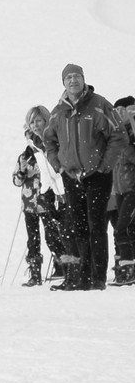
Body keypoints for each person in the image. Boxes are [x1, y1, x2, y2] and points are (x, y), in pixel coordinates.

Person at [42, 64, 127, 290]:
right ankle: (82, 276)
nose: (73, 81)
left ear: (83, 79)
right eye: (68, 77)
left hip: (97, 175)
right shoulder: (58, 111)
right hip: (71, 177)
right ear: (63, 83)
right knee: (77, 227)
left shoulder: (100, 105)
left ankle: (97, 277)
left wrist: (104, 166)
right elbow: (48, 140)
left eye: (77, 76)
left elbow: (119, 136)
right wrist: (58, 166)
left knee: (96, 225)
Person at [13, 106, 66, 286]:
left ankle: (63, 266)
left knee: (52, 236)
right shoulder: (25, 156)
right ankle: (35, 273)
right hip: (29, 204)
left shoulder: (43, 152)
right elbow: (16, 180)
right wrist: (21, 172)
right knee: (32, 239)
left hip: (45, 200)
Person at [111, 97, 135, 285]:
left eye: (122, 109)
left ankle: (128, 269)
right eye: (116, 110)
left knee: (122, 228)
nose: (118, 113)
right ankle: (124, 268)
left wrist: (125, 146)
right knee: (127, 229)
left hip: (132, 189)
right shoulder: (117, 134)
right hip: (120, 190)